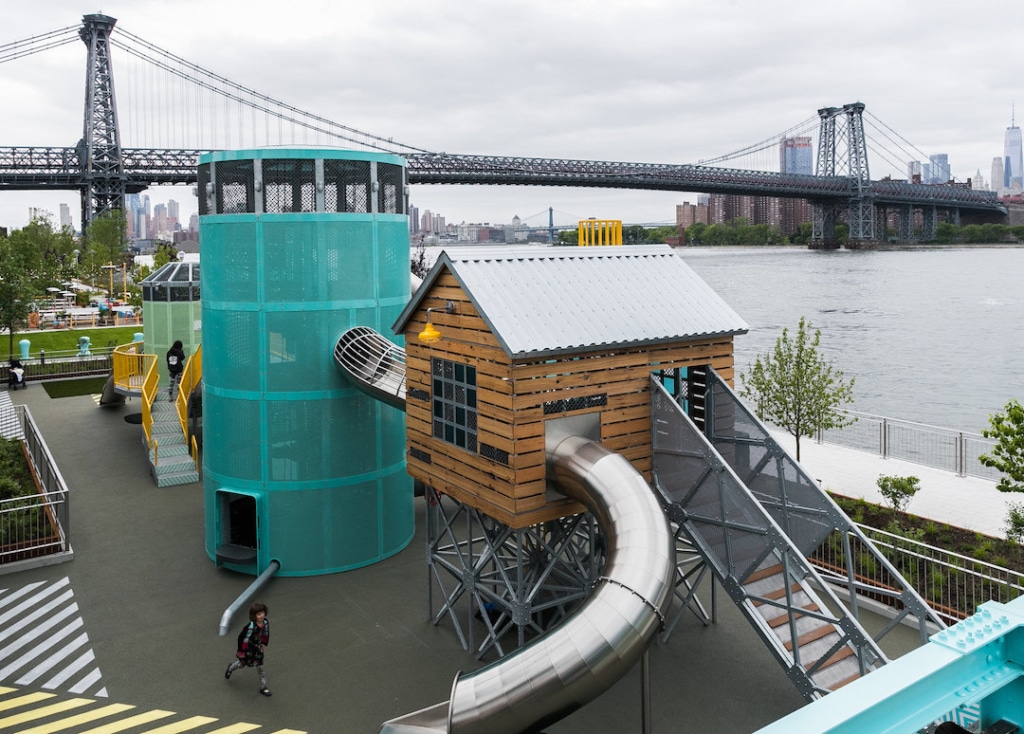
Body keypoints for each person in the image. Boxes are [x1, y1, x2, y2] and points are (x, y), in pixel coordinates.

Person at [225, 602, 271, 696]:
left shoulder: (265, 622)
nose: (261, 615)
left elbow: (265, 633)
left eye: (262, 613)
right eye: (258, 614)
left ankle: (263, 687)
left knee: (260, 667)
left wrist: (262, 643)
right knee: (242, 665)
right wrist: (241, 651)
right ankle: (231, 667)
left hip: (257, 649)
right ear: (254, 616)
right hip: (248, 650)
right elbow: (241, 638)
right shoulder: (250, 627)